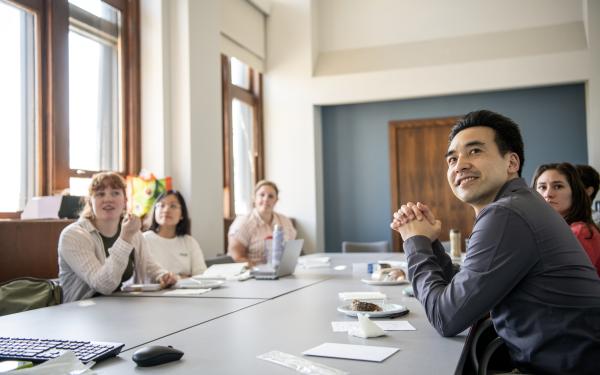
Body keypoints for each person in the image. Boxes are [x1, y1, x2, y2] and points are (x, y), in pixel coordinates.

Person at [390, 110, 600, 375]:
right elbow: (466, 293)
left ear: (512, 162)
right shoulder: (518, 205)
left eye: (474, 151)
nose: (459, 164)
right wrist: (431, 243)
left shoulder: (507, 213)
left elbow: (446, 318)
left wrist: (414, 239)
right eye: (452, 159)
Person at [58, 172, 177, 303]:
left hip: (118, 306)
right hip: (79, 312)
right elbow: (103, 285)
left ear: (125, 201)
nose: (108, 199)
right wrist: (125, 238)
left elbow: (149, 265)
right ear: (90, 202)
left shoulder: (131, 231)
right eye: (100, 194)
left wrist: (162, 275)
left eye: (115, 193)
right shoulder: (73, 235)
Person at [532, 163, 600, 276]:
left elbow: (563, 281)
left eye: (558, 186)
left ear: (575, 192)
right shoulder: (556, 230)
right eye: (542, 187)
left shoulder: (580, 232)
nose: (548, 194)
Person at [227, 180, 296, 265]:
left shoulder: (285, 221)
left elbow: (292, 251)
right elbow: (236, 258)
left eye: (270, 196)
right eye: (262, 195)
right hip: (250, 274)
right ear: (254, 198)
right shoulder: (242, 223)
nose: (266, 199)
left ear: (276, 200)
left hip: (280, 272)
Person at [143, 190, 207, 278]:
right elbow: (145, 276)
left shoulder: (189, 242)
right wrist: (182, 277)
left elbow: (201, 275)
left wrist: (177, 279)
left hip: (187, 291)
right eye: (161, 205)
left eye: (173, 206)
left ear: (182, 215)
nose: (166, 210)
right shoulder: (144, 239)